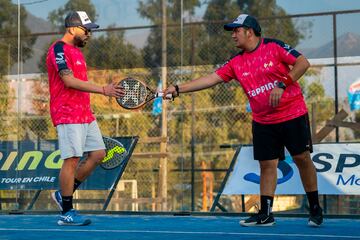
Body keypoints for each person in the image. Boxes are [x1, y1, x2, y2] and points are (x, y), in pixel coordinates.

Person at [163, 14, 323, 227]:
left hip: (292, 113)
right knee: (267, 165)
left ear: (250, 31)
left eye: (236, 30)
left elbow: (303, 63)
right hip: (263, 120)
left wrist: (282, 84)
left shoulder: (274, 47)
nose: (233, 35)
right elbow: (211, 79)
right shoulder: (236, 62)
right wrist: (177, 89)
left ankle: (315, 208)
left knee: (302, 158)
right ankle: (266, 214)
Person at [46, 11, 124, 226]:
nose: (89, 34)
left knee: (98, 154)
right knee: (71, 160)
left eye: (90, 30)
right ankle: (67, 211)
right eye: (86, 29)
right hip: (67, 113)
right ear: (72, 28)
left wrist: (89, 105)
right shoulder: (58, 49)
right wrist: (102, 89)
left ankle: (63, 196)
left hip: (84, 113)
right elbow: (68, 81)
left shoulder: (77, 52)